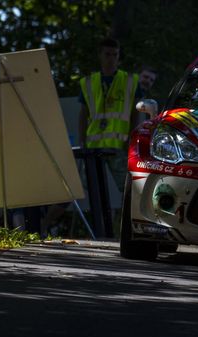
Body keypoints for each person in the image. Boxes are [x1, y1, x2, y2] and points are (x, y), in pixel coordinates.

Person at [75, 37, 142, 237]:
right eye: (107, 54)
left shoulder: (129, 80)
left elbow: (135, 112)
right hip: (94, 148)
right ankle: (47, 225)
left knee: (127, 191)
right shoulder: (89, 82)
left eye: (115, 55)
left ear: (119, 56)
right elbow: (83, 114)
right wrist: (82, 142)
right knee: (83, 190)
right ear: (100, 55)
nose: (111, 59)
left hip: (118, 147)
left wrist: (133, 139)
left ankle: (119, 231)